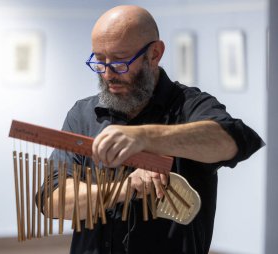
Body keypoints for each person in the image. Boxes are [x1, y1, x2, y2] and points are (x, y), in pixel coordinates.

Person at [40, 5, 264, 254]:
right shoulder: (83, 115)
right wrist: (124, 189)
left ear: (154, 53)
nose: (107, 73)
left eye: (119, 61)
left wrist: (144, 137)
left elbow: (234, 141)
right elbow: (53, 200)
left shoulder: (190, 107)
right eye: (99, 60)